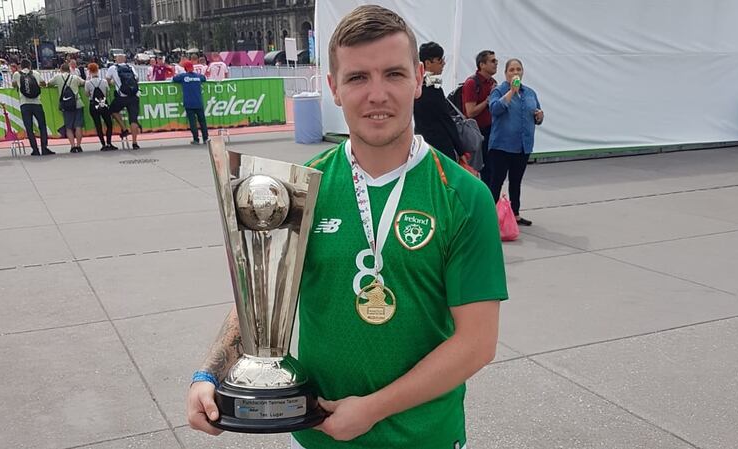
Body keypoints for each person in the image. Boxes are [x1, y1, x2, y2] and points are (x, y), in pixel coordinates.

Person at [186, 5, 507, 449]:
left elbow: (477, 343)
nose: (377, 94)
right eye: (358, 78)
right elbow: (261, 295)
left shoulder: (463, 195)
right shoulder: (299, 191)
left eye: (393, 74)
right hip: (320, 439)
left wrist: (371, 409)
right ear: (334, 88)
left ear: (418, 78)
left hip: (425, 438)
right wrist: (209, 374)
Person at [487, 58, 543, 227]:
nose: (515, 72)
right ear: (505, 73)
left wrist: (539, 116)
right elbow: (494, 109)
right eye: (511, 70)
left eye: (518, 69)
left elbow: (537, 114)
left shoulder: (530, 93)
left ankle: (515, 213)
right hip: (502, 146)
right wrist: (511, 92)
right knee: (496, 181)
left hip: (523, 146)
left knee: (516, 181)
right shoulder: (498, 91)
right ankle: (490, 217)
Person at [413, 41, 463, 162]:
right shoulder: (433, 89)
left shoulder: (415, 85)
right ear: (428, 63)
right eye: (440, 60)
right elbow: (445, 120)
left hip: (420, 144)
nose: (444, 63)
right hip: (440, 146)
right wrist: (460, 149)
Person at [462, 50, 498, 186]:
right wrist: (487, 101)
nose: (496, 64)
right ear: (482, 65)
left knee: (491, 170)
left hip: (491, 131)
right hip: (476, 133)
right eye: (492, 61)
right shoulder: (472, 83)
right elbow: (470, 112)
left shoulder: (493, 82)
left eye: (496, 61)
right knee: (476, 169)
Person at [12, 59, 54, 156]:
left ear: (21, 66)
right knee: (42, 126)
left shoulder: (17, 74)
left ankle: (35, 149)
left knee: (29, 127)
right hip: (37, 103)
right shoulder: (35, 73)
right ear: (30, 66)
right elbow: (43, 83)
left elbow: (14, 84)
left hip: (24, 104)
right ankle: (44, 148)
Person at [106, 54, 141, 149]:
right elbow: (136, 79)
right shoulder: (130, 67)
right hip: (134, 96)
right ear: (125, 59)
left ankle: (124, 129)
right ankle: (135, 143)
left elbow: (107, 81)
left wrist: (114, 82)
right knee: (133, 120)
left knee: (112, 110)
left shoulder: (112, 68)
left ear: (116, 59)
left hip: (121, 96)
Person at [50, 62, 86, 153]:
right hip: (77, 103)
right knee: (78, 126)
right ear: (69, 70)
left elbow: (49, 83)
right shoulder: (74, 77)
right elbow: (83, 82)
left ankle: (72, 146)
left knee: (69, 127)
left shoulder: (58, 77)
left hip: (66, 105)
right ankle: (79, 145)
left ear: (61, 69)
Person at [172, 61, 209, 145]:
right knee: (202, 121)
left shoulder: (183, 77)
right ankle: (205, 138)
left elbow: (174, 79)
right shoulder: (198, 77)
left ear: (185, 69)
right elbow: (204, 78)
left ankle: (196, 139)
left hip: (189, 103)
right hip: (198, 102)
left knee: (192, 122)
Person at [85, 62, 116, 151]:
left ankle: (103, 144)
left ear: (89, 71)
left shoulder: (88, 83)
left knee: (98, 125)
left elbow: (87, 94)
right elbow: (107, 92)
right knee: (109, 124)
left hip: (93, 105)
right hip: (103, 104)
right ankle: (109, 142)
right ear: (98, 70)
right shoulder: (104, 81)